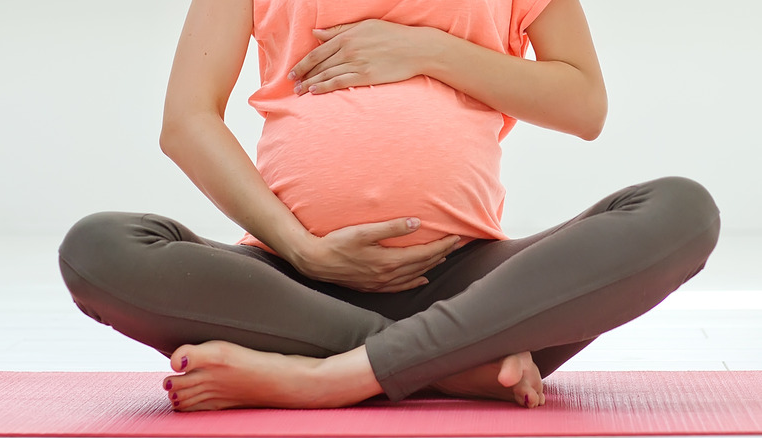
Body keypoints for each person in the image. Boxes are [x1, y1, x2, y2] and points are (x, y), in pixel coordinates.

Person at [58, 0, 720, 412]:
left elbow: (583, 105)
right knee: (99, 249)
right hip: (288, 290)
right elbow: (187, 121)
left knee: (681, 211)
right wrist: (300, 247)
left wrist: (427, 50)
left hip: (475, 290)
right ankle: (446, 368)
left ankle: (325, 378)